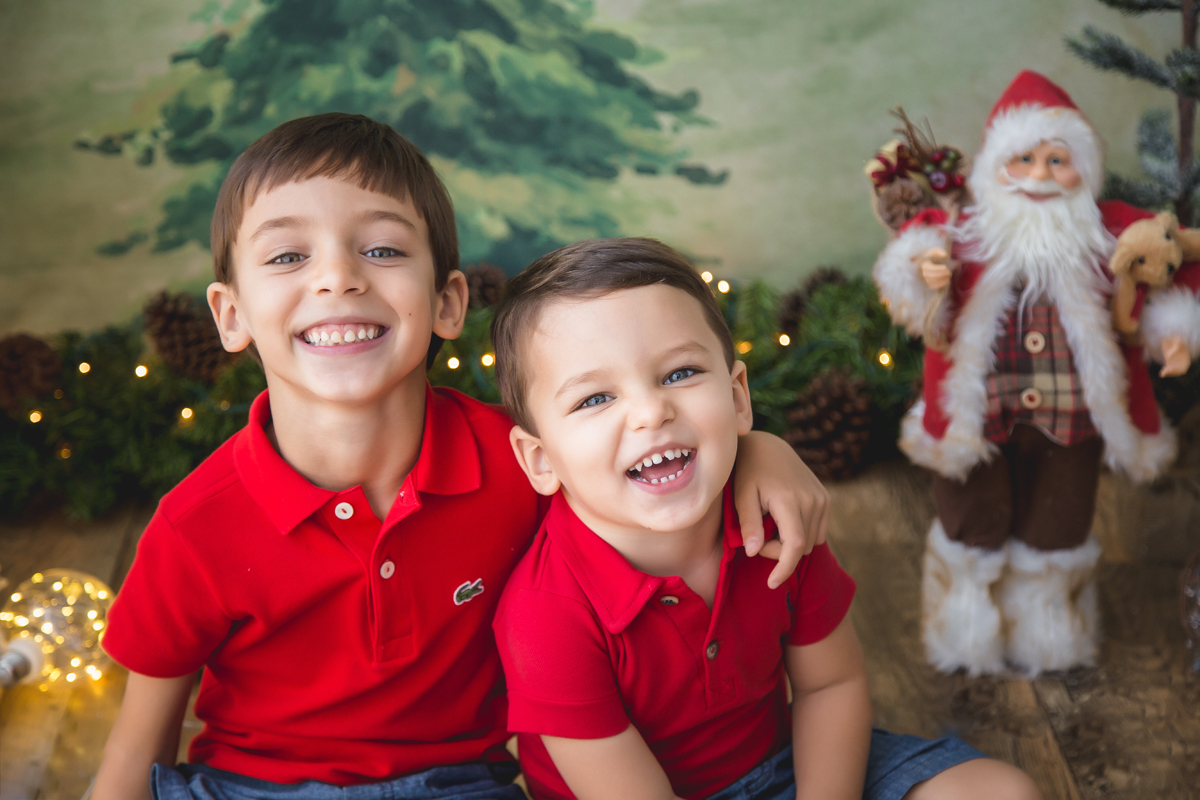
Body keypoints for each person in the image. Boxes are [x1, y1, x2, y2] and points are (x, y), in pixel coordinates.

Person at [90, 114, 832, 800]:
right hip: (252, 790)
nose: (338, 277)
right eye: (288, 255)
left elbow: (648, 461)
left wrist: (760, 449)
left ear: (448, 302)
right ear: (231, 314)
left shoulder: (520, 463)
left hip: (460, 786)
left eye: (381, 249)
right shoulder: (195, 526)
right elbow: (137, 749)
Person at [489, 237, 1042, 800]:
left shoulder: (776, 521)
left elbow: (831, 684)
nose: (652, 412)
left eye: (679, 373)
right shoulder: (546, 614)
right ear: (540, 460)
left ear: (738, 397)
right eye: (594, 399)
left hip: (788, 763)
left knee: (1000, 792)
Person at [873, 71, 1200, 677]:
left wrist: (1175, 331)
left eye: (1059, 161)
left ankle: (1048, 625)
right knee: (972, 514)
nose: (1041, 176)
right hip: (979, 419)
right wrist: (924, 274)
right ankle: (965, 623)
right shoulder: (966, 234)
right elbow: (914, 267)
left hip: (1071, 417)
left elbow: (1168, 262)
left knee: (1061, 517)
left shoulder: (1107, 230)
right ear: (995, 166)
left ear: (1086, 168)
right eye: (1022, 159)